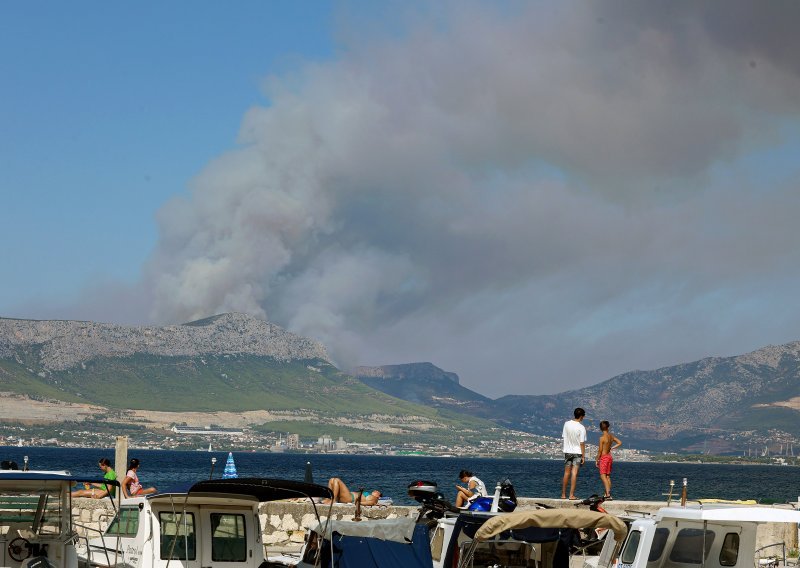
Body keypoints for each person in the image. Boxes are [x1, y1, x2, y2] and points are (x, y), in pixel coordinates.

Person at [561, 407, 587, 500]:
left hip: (567, 451)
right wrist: (583, 456)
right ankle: (571, 495)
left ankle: (563, 494)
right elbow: (582, 443)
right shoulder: (581, 427)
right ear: (581, 416)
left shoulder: (566, 424)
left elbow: (564, 436)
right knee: (574, 473)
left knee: (566, 473)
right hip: (577, 453)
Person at [596, 420, 622, 500]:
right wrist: (612, 447)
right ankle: (607, 494)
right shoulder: (611, 436)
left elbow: (600, 450)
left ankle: (607, 494)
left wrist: (597, 459)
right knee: (607, 476)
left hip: (604, 458)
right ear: (608, 427)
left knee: (603, 476)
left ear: (600, 428)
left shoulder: (602, 438)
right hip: (609, 457)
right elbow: (619, 442)